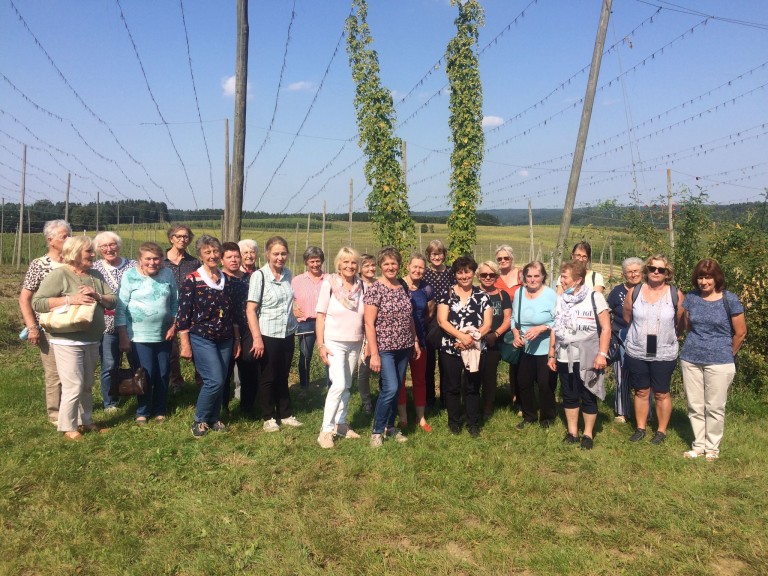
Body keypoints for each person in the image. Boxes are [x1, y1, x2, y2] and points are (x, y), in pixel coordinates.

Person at [32, 236, 116, 440]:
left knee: (87, 383)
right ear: (75, 252)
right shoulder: (59, 274)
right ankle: (68, 426)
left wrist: (96, 295)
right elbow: (38, 302)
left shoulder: (95, 275)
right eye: (88, 251)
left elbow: (112, 301)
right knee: (73, 385)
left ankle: (86, 421)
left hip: (92, 338)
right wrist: (70, 299)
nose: (93, 255)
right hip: (66, 340)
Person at [680, 259, 746, 460]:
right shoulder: (691, 298)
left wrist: (728, 354)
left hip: (720, 361)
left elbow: (741, 333)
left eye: (708, 277)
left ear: (717, 278)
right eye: (700, 277)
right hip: (691, 358)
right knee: (695, 405)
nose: (703, 281)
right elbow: (688, 325)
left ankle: (712, 449)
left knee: (715, 407)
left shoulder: (730, 299)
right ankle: (698, 445)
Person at [177, 235, 240, 438]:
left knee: (221, 380)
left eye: (215, 251)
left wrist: (237, 339)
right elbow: (183, 315)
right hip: (202, 337)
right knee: (213, 379)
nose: (212, 255)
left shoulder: (226, 280)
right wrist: (185, 344)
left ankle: (213, 418)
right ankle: (199, 419)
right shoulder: (193, 280)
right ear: (201, 256)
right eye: (207, 252)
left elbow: (233, 313)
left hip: (226, 337)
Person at [547, 260, 611, 450]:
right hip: (565, 355)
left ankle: (588, 434)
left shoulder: (595, 297)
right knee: (569, 394)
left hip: (589, 355)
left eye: (564, 277)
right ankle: (572, 432)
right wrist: (551, 354)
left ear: (578, 279)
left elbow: (606, 328)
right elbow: (555, 328)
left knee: (588, 394)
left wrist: (602, 354)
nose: (561, 280)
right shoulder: (561, 299)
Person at [623, 254, 685, 446]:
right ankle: (640, 428)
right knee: (641, 391)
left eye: (661, 270)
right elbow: (627, 316)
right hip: (637, 350)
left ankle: (660, 431)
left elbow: (681, 322)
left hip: (664, 352)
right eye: (652, 269)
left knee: (661, 392)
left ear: (667, 274)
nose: (656, 272)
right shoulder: (635, 291)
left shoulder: (675, 294)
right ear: (646, 271)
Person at [364, 247, 420, 448]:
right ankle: (377, 431)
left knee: (397, 390)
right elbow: (369, 323)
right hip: (385, 348)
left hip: (404, 346)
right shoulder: (375, 289)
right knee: (390, 388)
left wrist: (414, 341)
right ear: (380, 266)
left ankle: (389, 426)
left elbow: (409, 316)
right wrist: (375, 353)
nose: (390, 267)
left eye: (393, 263)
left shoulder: (403, 285)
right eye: (386, 263)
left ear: (399, 265)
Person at [246, 236, 303, 432]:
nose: (280, 257)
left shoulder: (288, 274)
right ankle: (268, 416)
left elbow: (288, 302)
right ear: (267, 254)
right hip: (268, 334)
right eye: (276, 253)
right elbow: (251, 309)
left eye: (283, 253)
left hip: (287, 333)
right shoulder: (259, 276)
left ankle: (286, 414)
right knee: (268, 376)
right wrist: (257, 338)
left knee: (283, 375)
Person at [116, 242, 178, 423]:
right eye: (148, 259)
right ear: (140, 260)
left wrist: (174, 325)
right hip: (138, 335)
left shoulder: (167, 274)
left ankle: (160, 409)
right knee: (145, 374)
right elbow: (121, 308)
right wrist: (123, 336)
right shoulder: (130, 276)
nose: (152, 262)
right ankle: (142, 410)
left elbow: (175, 302)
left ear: (162, 260)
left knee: (163, 372)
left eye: (156, 258)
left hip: (164, 334)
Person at [19, 219, 71, 425]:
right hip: (49, 327)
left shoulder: (74, 262)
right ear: (50, 240)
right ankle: (55, 414)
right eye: (64, 236)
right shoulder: (39, 265)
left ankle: (73, 408)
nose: (68, 239)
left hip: (75, 325)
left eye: (69, 235)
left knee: (76, 371)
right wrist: (32, 327)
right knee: (54, 372)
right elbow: (25, 298)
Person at [436, 255, 492, 437]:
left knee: (472, 386)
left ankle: (473, 423)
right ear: (455, 275)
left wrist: (472, 339)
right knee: (452, 387)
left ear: (473, 273)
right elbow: (442, 321)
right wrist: (461, 337)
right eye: (459, 273)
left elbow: (487, 324)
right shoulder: (447, 295)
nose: (464, 276)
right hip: (451, 348)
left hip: (474, 348)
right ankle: (454, 422)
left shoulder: (483, 296)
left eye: (467, 272)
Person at [315, 247, 366, 448]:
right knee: (338, 384)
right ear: (339, 264)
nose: (350, 266)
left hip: (355, 341)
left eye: (353, 262)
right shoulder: (329, 284)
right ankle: (325, 430)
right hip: (334, 341)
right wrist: (321, 344)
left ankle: (341, 423)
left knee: (347, 384)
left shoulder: (362, 286)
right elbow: (320, 315)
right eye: (345, 262)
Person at [92, 231, 137, 413]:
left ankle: (140, 394)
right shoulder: (94, 269)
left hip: (132, 322)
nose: (109, 249)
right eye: (104, 246)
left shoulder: (133, 265)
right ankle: (110, 402)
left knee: (137, 361)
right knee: (109, 364)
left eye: (112, 245)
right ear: (98, 249)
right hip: (106, 323)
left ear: (119, 246)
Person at [513, 261, 558, 428]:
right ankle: (529, 415)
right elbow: (513, 319)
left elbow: (559, 322)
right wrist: (516, 334)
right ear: (524, 277)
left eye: (536, 276)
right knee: (523, 382)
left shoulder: (551, 295)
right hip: (526, 347)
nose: (532, 280)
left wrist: (542, 328)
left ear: (543, 277)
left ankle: (547, 417)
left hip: (546, 348)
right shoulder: (519, 293)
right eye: (529, 276)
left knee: (545, 385)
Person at [397, 253, 435, 432]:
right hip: (400, 340)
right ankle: (403, 417)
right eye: (415, 266)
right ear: (408, 266)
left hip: (421, 340)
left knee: (420, 380)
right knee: (400, 379)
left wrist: (418, 331)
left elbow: (429, 314)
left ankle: (421, 418)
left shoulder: (426, 289)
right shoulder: (398, 285)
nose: (418, 270)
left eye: (421, 267)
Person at [220, 242, 258, 417]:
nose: (234, 260)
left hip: (247, 327)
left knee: (249, 366)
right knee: (225, 370)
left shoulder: (250, 278)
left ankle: (248, 406)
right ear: (222, 259)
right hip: (225, 330)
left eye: (237, 256)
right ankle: (223, 407)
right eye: (229, 257)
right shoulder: (219, 279)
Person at [163, 224, 202, 392]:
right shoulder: (161, 261)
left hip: (190, 311)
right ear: (171, 238)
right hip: (166, 310)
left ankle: (201, 382)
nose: (182, 239)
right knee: (171, 350)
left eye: (186, 236)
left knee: (195, 347)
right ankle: (176, 383)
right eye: (178, 236)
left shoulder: (194, 263)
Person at [605, 257, 644, 423]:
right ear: (624, 274)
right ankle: (622, 412)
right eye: (630, 272)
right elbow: (607, 312)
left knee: (644, 377)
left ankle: (646, 414)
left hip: (644, 339)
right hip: (621, 337)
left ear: (642, 272)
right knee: (622, 376)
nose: (633, 274)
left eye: (636, 271)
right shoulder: (617, 292)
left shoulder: (649, 290)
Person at [476, 260, 511, 420]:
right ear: (478, 276)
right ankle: (471, 405)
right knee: (472, 374)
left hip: (493, 342)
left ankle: (487, 407)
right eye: (484, 274)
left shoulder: (502, 295)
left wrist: (495, 335)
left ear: (496, 276)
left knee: (489, 375)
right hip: (474, 342)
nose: (488, 277)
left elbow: (507, 319)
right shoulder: (472, 293)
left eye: (491, 274)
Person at [423, 239, 454, 410]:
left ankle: (445, 398)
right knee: (428, 364)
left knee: (445, 362)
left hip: (447, 321)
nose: (437, 257)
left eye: (440, 253)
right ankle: (429, 399)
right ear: (428, 256)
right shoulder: (424, 273)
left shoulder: (450, 273)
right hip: (428, 321)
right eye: (433, 254)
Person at [292, 246, 328, 389]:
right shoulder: (296, 280)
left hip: (326, 323)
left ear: (322, 261)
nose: (315, 264)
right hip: (305, 323)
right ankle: (304, 386)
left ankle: (331, 384)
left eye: (318, 261)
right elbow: (285, 299)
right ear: (306, 262)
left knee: (329, 354)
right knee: (305, 356)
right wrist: (292, 311)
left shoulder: (329, 279)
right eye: (311, 261)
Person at [493, 244, 523, 413]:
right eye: (500, 259)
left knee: (516, 361)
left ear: (512, 258)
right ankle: (491, 397)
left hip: (518, 324)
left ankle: (517, 398)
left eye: (506, 258)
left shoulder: (521, 276)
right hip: (499, 323)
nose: (503, 261)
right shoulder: (494, 278)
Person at [355, 254, 377, 414]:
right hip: (363, 331)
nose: (371, 269)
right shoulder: (358, 286)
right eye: (366, 266)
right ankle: (366, 402)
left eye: (372, 265)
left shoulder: (379, 284)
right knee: (363, 369)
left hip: (380, 330)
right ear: (360, 269)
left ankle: (385, 399)